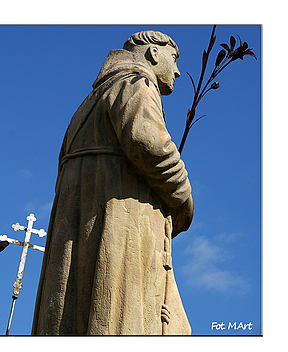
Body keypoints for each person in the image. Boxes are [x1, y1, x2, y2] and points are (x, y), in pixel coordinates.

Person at [32, 30, 194, 335]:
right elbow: (148, 144)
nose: (176, 71)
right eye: (173, 59)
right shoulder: (135, 83)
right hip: (115, 227)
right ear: (153, 53)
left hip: (78, 239)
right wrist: (183, 195)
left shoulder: (85, 108)